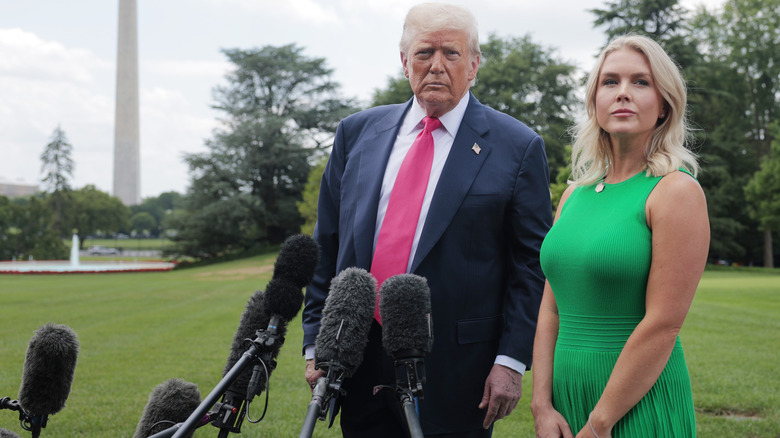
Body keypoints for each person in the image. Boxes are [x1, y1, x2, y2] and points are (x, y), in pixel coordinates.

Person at [301, 3, 552, 437]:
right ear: (404, 62)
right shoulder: (355, 134)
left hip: (459, 372)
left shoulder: (518, 146)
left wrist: (510, 361)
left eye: (451, 54)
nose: (436, 65)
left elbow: (531, 265)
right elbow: (327, 244)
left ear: (473, 64)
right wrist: (315, 343)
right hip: (356, 366)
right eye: (423, 53)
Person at [530, 34, 710, 438]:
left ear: (664, 105)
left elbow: (663, 324)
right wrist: (541, 403)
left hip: (631, 404)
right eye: (610, 82)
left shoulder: (675, 191)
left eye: (641, 82)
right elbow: (551, 311)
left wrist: (599, 423)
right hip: (565, 398)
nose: (623, 93)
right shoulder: (574, 194)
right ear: (595, 99)